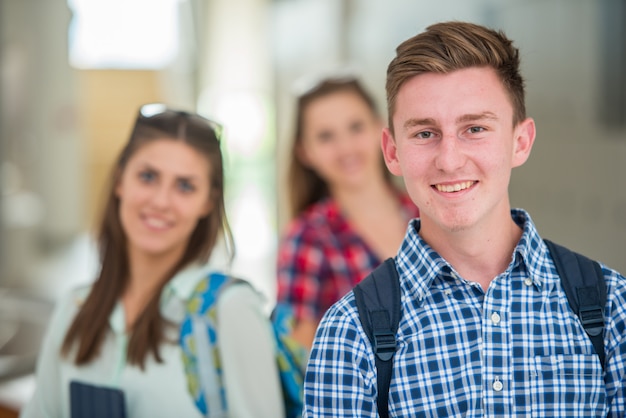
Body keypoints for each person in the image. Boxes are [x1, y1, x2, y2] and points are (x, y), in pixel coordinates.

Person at [303, 21, 626, 417]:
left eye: (475, 128)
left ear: (520, 142)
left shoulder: (613, 309)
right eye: (424, 133)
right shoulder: (348, 335)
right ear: (391, 152)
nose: (450, 160)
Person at [20, 104, 284, 418]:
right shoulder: (73, 308)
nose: (160, 201)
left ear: (207, 203)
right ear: (120, 181)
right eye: (148, 177)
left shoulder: (231, 310)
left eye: (185, 186)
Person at [276, 76, 419, 349]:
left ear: (382, 130)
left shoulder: (427, 212)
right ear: (305, 151)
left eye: (356, 127)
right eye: (325, 136)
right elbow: (299, 361)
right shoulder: (308, 238)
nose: (346, 148)